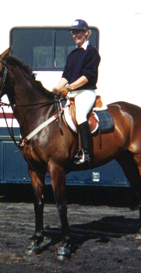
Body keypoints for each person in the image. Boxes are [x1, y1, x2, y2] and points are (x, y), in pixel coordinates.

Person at [53, 19, 101, 165]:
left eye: (78, 32)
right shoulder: (72, 54)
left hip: (86, 93)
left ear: (86, 33)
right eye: (74, 33)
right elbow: (66, 76)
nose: (75, 35)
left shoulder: (92, 53)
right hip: (73, 93)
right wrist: (55, 90)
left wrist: (68, 88)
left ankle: (86, 153)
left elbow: (87, 77)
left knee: (80, 115)